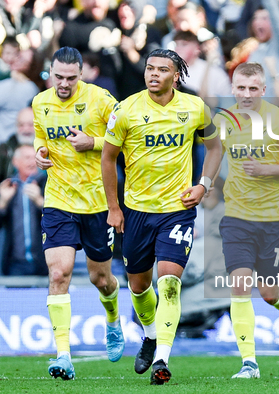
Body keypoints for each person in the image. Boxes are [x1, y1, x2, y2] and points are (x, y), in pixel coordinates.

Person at [101, 49, 222, 385]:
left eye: (162, 69)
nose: (153, 74)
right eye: (149, 68)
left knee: (169, 283)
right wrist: (114, 208)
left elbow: (215, 147)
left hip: (177, 210)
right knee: (139, 287)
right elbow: (108, 158)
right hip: (137, 211)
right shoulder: (126, 110)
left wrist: (203, 185)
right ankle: (151, 334)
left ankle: (162, 358)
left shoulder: (194, 107)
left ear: (176, 76)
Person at [32, 47, 123, 380]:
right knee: (59, 274)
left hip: (98, 203)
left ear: (82, 74)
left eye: (71, 78)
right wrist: (39, 152)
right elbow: (40, 138)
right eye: (58, 77)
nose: (64, 83)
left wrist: (94, 142)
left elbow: (126, 138)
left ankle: (112, 319)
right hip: (58, 199)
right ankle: (63, 355)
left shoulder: (101, 99)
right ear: (50, 72)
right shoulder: (40, 102)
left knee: (102, 279)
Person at [214, 62, 279, 378]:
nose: (247, 94)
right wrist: (204, 183)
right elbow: (213, 153)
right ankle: (249, 363)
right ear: (233, 88)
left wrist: (268, 170)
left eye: (253, 88)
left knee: (269, 293)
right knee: (239, 285)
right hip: (237, 216)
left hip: (275, 219)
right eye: (241, 88)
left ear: (263, 90)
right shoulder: (223, 120)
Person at [0, 145, 47, 276]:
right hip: (14, 263)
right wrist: (2, 202)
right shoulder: (7, 186)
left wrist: (39, 201)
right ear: (15, 162)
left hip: (44, 261)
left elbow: (60, 220)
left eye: (35, 158)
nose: (32, 162)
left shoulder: (47, 184)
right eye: (27, 158)